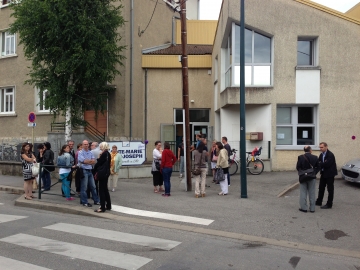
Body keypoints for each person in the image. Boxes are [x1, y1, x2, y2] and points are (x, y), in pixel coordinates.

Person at [296, 145, 319, 213]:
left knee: (303, 192)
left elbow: (298, 167)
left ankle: (304, 208)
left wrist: (302, 172)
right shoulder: (315, 157)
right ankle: (312, 208)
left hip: (303, 177)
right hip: (312, 177)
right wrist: (314, 173)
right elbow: (318, 167)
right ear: (310, 150)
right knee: (312, 192)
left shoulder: (300, 157)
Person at [78, 140, 100, 207]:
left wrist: (88, 161)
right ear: (82, 145)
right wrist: (89, 161)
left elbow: (94, 161)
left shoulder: (90, 152)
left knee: (93, 187)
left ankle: (96, 201)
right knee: (84, 187)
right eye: (85, 144)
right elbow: (84, 161)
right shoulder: (80, 152)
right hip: (84, 170)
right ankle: (84, 202)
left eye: (87, 144)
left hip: (90, 170)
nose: (86, 145)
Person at [316, 142, 338, 209]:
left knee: (330, 189)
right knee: (321, 188)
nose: (320, 149)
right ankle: (319, 201)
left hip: (330, 174)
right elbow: (319, 163)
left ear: (326, 147)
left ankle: (329, 204)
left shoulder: (330, 155)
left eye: (322, 147)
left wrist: (321, 163)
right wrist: (321, 164)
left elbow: (327, 164)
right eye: (320, 147)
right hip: (323, 173)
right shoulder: (321, 155)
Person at [94, 142, 112, 213]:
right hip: (106, 173)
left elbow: (99, 163)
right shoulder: (108, 154)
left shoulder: (104, 154)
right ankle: (108, 205)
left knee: (101, 190)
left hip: (102, 173)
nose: (100, 147)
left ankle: (102, 207)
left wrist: (98, 157)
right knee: (105, 189)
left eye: (101, 146)